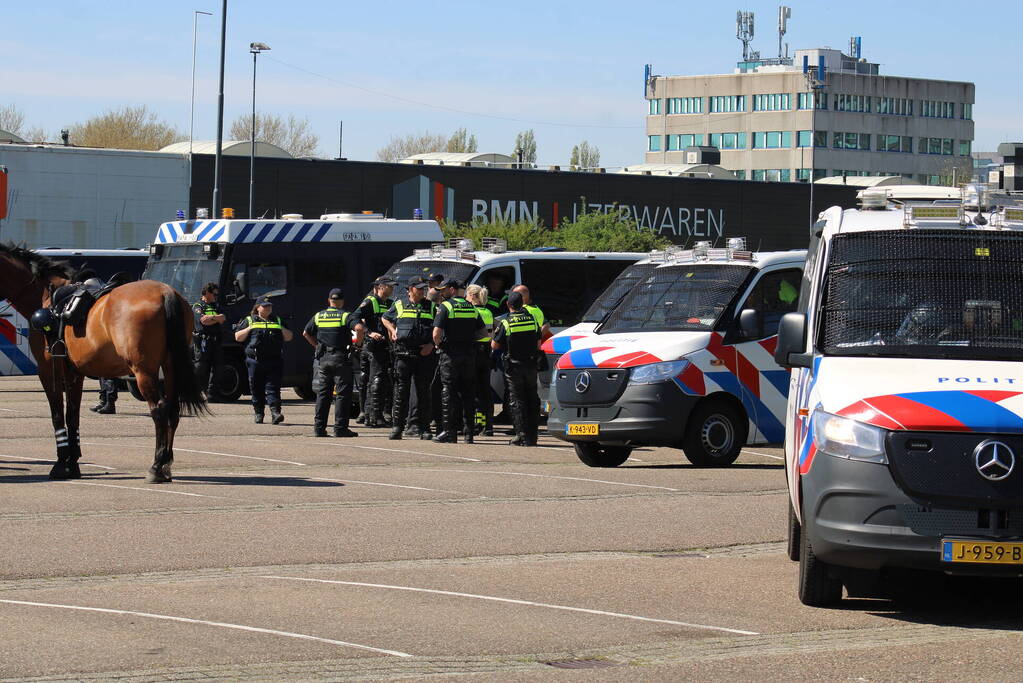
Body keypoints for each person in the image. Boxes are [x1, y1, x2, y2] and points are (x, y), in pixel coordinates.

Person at [303, 288, 364, 437]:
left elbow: (305, 333)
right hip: (340, 359)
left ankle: (319, 428)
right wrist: (358, 345)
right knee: (342, 395)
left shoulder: (319, 315)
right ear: (342, 301)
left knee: (323, 394)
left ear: (329, 300)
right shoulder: (345, 315)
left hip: (324, 359)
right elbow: (359, 328)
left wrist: (317, 346)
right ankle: (340, 429)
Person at [382, 277, 436, 440]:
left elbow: (439, 328)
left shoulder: (431, 306)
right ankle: (397, 428)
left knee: (423, 393)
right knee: (401, 392)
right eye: (419, 288)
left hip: (423, 355)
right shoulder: (399, 304)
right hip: (403, 354)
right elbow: (385, 318)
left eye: (423, 288)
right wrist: (392, 330)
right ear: (410, 289)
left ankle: (425, 429)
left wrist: (431, 345)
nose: (422, 291)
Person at [431, 278, 485, 443]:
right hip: (469, 356)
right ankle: (469, 434)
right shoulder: (472, 307)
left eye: (444, 289)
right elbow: (483, 333)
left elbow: (436, 334)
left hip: (450, 355)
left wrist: (440, 345)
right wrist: (468, 341)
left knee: (449, 393)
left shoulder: (446, 306)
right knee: (468, 393)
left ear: (452, 290)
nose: (441, 293)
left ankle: (449, 432)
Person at [492, 290, 542, 446]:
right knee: (532, 398)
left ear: (508, 304)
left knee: (517, 400)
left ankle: (521, 435)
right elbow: (538, 344)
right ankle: (533, 435)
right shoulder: (532, 319)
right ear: (522, 303)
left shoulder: (506, 322)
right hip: (531, 365)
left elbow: (495, 345)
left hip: (514, 367)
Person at [234, 296, 293, 424]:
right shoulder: (249, 320)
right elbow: (238, 337)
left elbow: (289, 337)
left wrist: (280, 328)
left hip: (274, 360)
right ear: (257, 307)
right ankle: (259, 413)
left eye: (269, 306)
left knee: (273, 388)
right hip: (255, 361)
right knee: (256, 388)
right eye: (265, 306)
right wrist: (249, 328)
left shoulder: (277, 320)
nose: (268, 308)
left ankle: (275, 413)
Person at [357, 277, 396, 427]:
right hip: (373, 347)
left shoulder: (390, 303)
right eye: (389, 286)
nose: (392, 289)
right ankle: (374, 417)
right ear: (381, 287)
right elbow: (354, 317)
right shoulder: (370, 301)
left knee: (380, 381)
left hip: (386, 346)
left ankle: (371, 415)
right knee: (376, 380)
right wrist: (369, 332)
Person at [466, 284, 495, 436]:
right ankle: (488, 425)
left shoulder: (473, 312)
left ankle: (478, 423)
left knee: (474, 391)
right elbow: (490, 334)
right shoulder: (488, 312)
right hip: (486, 353)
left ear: (473, 296)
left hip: (475, 352)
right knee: (485, 391)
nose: (465, 298)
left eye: (467, 295)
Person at [192, 282, 227, 400]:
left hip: (216, 340)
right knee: (201, 366)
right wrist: (216, 318)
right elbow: (203, 321)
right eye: (214, 294)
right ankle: (195, 390)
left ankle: (212, 393)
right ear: (207, 293)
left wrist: (211, 318)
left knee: (218, 367)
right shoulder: (198, 306)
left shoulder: (216, 305)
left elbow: (223, 318)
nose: (216, 297)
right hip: (203, 341)